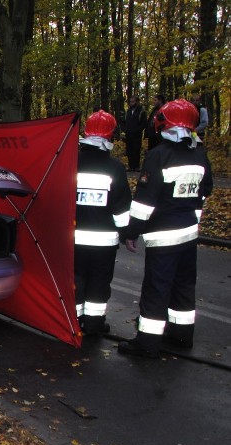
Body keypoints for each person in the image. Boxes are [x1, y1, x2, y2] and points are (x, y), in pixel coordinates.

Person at [118, 99, 213, 358]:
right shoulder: (199, 154)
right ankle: (182, 336)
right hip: (189, 232)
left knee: (157, 287)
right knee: (183, 285)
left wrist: (131, 232)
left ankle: (147, 343)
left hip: (163, 236)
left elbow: (144, 203)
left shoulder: (159, 155)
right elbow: (206, 191)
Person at [74, 110, 132, 336]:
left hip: (75, 237)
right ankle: (95, 324)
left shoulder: (71, 163)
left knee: (76, 278)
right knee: (99, 281)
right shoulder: (115, 168)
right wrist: (127, 234)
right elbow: (121, 209)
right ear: (110, 136)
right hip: (104, 242)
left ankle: (74, 320)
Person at [123, 95, 147, 171]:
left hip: (137, 135)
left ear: (137, 102)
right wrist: (125, 130)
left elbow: (144, 123)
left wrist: (137, 130)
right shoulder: (129, 111)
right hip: (129, 134)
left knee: (136, 150)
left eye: (133, 101)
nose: (131, 103)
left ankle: (136, 166)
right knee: (129, 150)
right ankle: (130, 166)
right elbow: (126, 122)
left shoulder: (141, 111)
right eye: (130, 102)